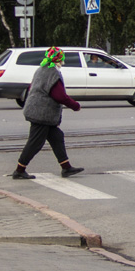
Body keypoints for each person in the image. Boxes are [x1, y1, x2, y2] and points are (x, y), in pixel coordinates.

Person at [11, 46, 84, 179]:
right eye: (62, 59)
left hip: (38, 110)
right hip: (41, 114)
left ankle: (66, 167)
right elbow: (59, 96)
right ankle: (19, 170)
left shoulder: (41, 69)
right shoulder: (52, 73)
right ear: (58, 59)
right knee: (35, 143)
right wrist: (75, 106)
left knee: (57, 137)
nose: (63, 61)